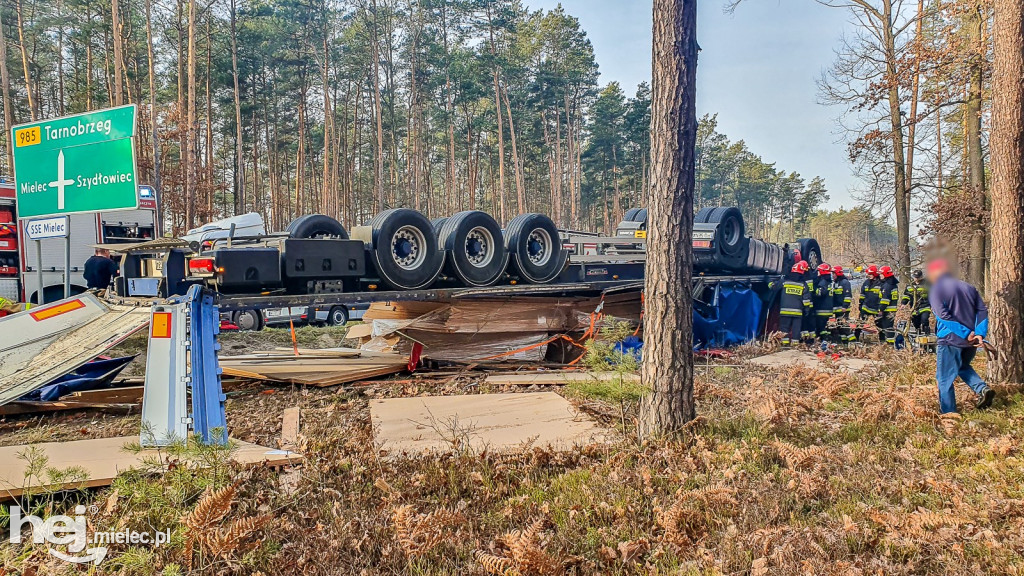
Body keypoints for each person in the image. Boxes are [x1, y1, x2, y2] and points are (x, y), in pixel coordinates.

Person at [927, 258, 994, 414]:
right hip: (970, 342)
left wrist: (966, 333)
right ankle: (982, 389)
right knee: (962, 367)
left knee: (944, 379)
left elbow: (942, 316)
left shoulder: (936, 289)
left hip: (950, 340)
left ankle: (949, 414)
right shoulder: (969, 287)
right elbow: (982, 311)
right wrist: (979, 334)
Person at [774, 261, 812, 346]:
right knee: (796, 329)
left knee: (784, 329)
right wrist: (807, 309)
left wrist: (768, 283)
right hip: (798, 312)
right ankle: (795, 345)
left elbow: (774, 287)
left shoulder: (784, 281)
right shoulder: (803, 284)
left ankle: (785, 345)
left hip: (785, 311)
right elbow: (806, 299)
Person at [902, 269, 932, 338]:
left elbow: (932, 294)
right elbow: (906, 295)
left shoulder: (927, 284)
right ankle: (918, 331)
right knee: (915, 321)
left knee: (924, 319)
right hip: (914, 307)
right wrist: (903, 303)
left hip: (925, 305)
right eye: (915, 277)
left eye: (918, 277)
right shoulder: (910, 285)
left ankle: (926, 332)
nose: (916, 279)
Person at [858, 265, 882, 342]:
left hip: (876, 308)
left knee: (880, 325)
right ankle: (856, 337)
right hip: (866, 307)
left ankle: (882, 340)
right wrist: (860, 304)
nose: (869, 276)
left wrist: (881, 308)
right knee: (860, 323)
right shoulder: (866, 282)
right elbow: (862, 294)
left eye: (870, 274)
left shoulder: (881, 283)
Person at [831, 265, 854, 344]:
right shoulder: (835, 283)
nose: (832, 275)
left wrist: (845, 306)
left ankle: (853, 341)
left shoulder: (845, 282)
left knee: (844, 327)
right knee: (840, 327)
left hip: (843, 309)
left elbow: (848, 296)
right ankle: (845, 342)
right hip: (837, 309)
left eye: (834, 273)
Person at [812, 263, 834, 342]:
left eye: (818, 271)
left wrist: (813, 289)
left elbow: (820, 293)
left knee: (820, 327)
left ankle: (825, 340)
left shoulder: (823, 282)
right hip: (828, 309)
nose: (817, 273)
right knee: (823, 326)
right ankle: (825, 339)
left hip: (822, 309)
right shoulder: (829, 282)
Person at [878, 265, 900, 346]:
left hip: (887, 310)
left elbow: (885, 300)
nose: (880, 275)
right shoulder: (892, 284)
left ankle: (890, 345)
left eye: (881, 274)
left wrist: (880, 310)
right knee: (887, 327)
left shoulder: (887, 286)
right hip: (891, 310)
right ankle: (887, 344)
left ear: (886, 274)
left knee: (887, 328)